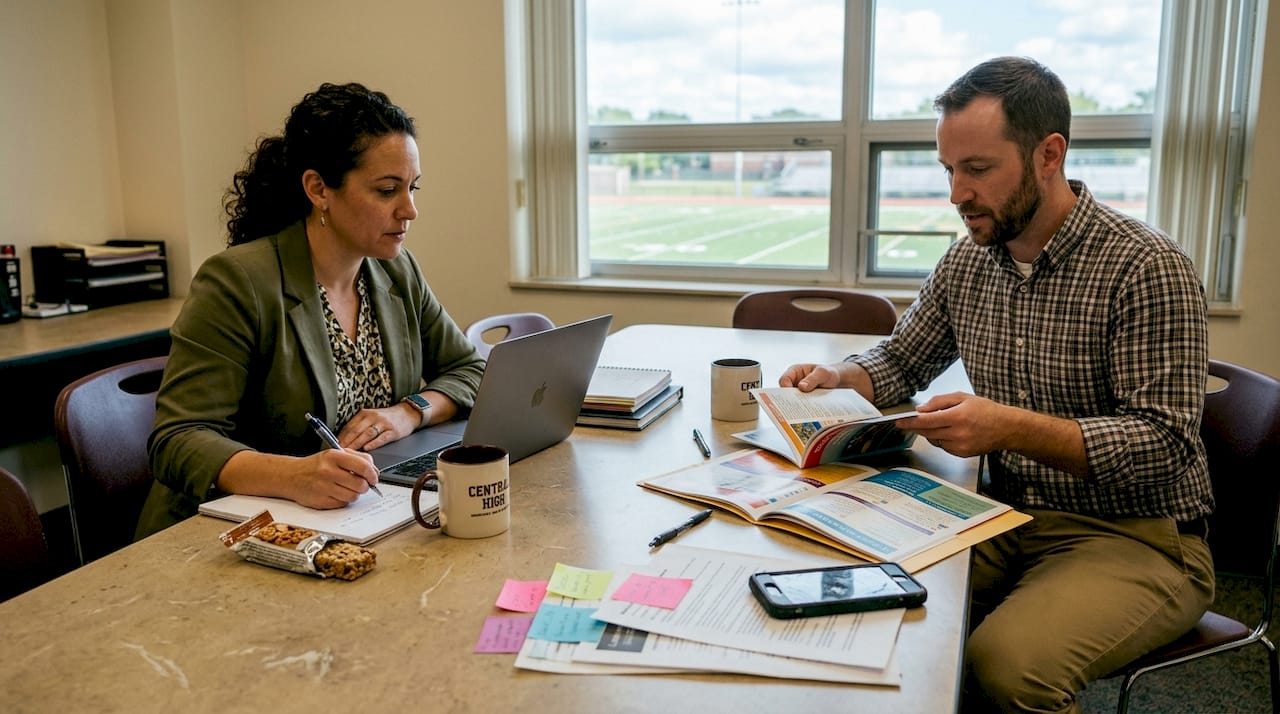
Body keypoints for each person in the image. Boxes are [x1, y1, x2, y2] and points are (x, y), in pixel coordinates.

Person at [780, 57, 1214, 712]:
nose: (956, 194)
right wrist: (844, 375)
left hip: (1137, 534)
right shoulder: (970, 257)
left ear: (1049, 154)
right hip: (1001, 510)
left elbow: (1162, 446)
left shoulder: (1147, 267)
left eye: (977, 170)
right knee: (844, 587)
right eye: (949, 170)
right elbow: (904, 358)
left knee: (1006, 666)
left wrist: (1009, 428)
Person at [136, 83, 485, 538]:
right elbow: (177, 439)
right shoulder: (237, 281)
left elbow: (469, 369)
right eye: (387, 190)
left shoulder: (394, 273)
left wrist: (408, 411)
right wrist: (295, 476)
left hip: (351, 518)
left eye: (412, 188)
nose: (410, 210)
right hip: (229, 533)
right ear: (319, 189)